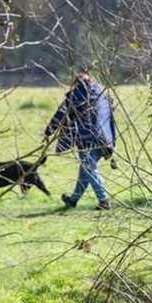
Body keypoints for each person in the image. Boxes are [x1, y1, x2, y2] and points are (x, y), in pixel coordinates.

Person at [44, 71, 116, 210]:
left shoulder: (75, 96)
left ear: (76, 84)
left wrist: (49, 132)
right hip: (105, 139)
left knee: (90, 170)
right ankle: (73, 199)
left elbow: (60, 114)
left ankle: (104, 200)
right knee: (86, 170)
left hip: (86, 140)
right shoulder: (102, 94)